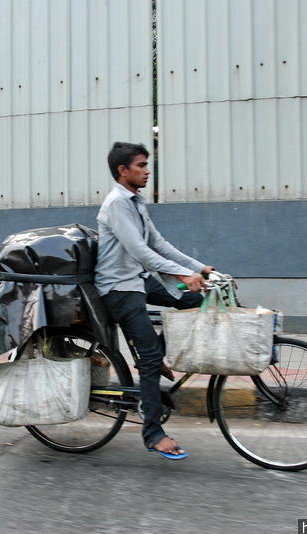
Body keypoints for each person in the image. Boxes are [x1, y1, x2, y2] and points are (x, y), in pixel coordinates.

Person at [94, 141, 214, 460]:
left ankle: (156, 353)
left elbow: (159, 244)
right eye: (141, 166)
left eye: (148, 165)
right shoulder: (117, 204)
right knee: (148, 358)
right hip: (119, 288)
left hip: (139, 279)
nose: (148, 171)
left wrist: (197, 268)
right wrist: (183, 274)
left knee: (195, 302)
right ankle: (152, 433)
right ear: (123, 171)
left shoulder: (136, 202)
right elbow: (140, 251)